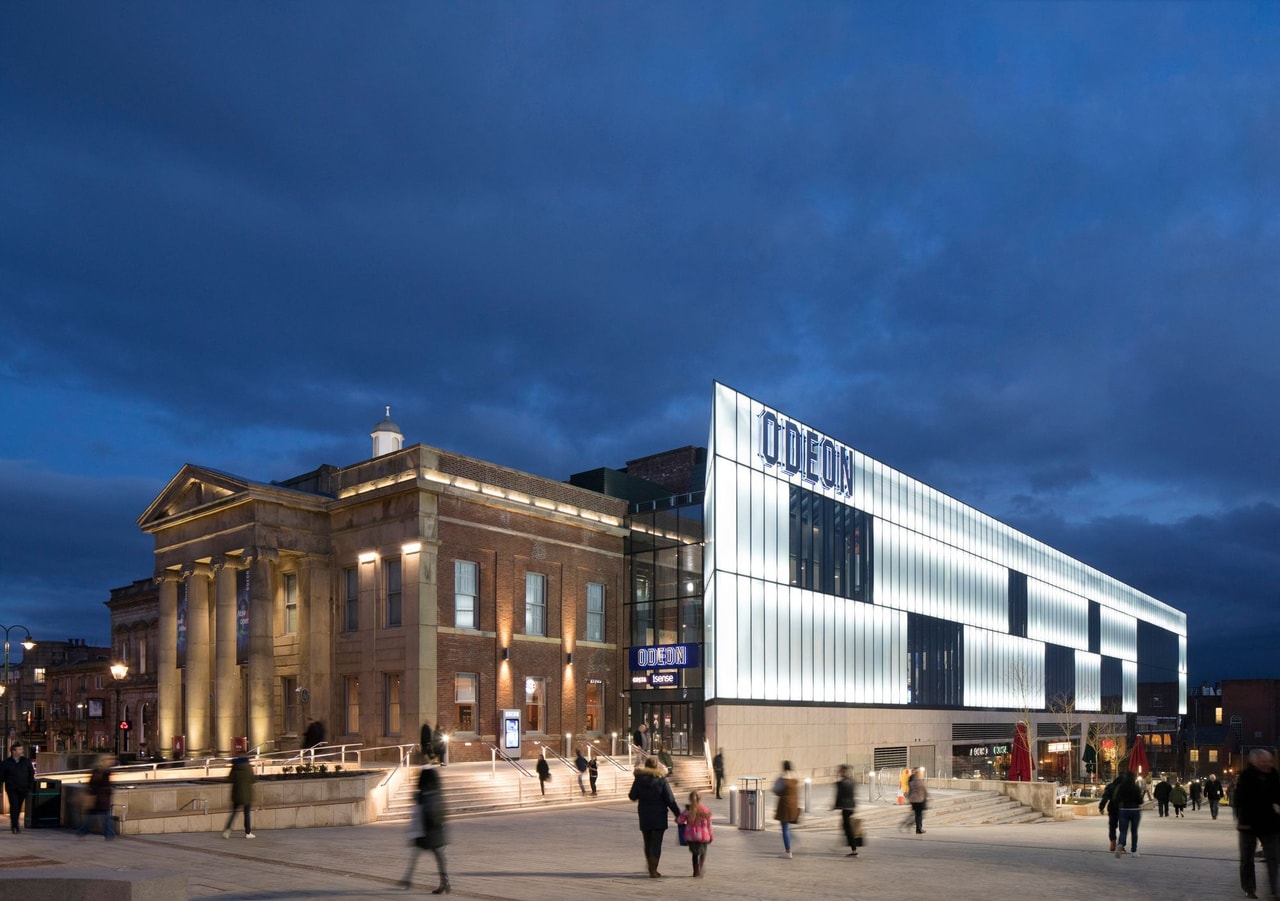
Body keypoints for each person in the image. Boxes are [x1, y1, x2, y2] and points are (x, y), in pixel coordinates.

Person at [1233, 748, 1280, 900]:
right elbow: (1239, 801)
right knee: (1247, 858)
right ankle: (1249, 888)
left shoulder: (1273, 775)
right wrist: (1241, 821)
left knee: (1273, 857)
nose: (1267, 764)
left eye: (1269, 761)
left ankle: (1274, 889)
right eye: (1264, 761)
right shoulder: (1246, 776)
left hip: (1270, 823)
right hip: (1248, 824)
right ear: (1255, 761)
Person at [628, 755, 681, 878]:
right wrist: (678, 814)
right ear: (656, 766)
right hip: (659, 816)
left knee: (647, 842)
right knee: (656, 844)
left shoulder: (639, 779)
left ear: (646, 765)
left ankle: (650, 867)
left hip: (645, 815)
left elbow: (632, 796)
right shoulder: (661, 780)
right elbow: (670, 800)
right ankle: (653, 870)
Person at [402, 766, 450, 895]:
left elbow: (420, 809)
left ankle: (408, 878)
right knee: (438, 855)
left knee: (417, 854)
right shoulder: (436, 793)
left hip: (425, 830)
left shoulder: (424, 794)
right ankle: (444, 882)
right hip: (435, 830)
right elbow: (443, 812)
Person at [76, 754, 116, 841]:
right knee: (104, 817)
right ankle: (109, 835)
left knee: (96, 817)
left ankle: (82, 832)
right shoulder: (100, 771)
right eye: (110, 759)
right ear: (104, 761)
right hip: (99, 798)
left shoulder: (105, 771)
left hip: (102, 798)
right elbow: (93, 785)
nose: (112, 761)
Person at [676, 788, 714, 877]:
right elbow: (709, 825)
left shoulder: (687, 810)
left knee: (694, 854)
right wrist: (711, 836)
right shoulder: (705, 810)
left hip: (691, 836)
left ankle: (695, 872)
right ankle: (701, 867)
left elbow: (679, 821)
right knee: (703, 852)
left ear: (690, 799)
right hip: (703, 836)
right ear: (699, 799)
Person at [0, 742, 35, 834]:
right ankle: (15, 826)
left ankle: (14, 823)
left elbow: (31, 775)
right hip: (12, 789)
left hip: (23, 788)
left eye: (21, 749)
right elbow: (1, 777)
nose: (22, 751)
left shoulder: (26, 761)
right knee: (14, 806)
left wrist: (30, 787)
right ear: (13, 751)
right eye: (19, 749)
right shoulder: (6, 763)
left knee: (18, 807)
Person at [222, 756, 256, 839]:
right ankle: (248, 832)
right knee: (247, 814)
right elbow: (253, 780)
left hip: (236, 794)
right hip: (247, 794)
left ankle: (227, 830)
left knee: (234, 813)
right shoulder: (248, 768)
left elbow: (230, 779)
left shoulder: (234, 767)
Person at [773, 761, 801, 858]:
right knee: (787, 828)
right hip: (793, 805)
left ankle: (788, 851)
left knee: (785, 828)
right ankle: (790, 847)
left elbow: (775, 790)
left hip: (784, 806)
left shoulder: (782, 779)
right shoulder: (794, 779)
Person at [1114, 770, 1143, 857]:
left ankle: (1120, 844)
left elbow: (1116, 799)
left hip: (1123, 810)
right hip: (1135, 810)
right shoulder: (1136, 787)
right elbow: (1140, 801)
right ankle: (1134, 851)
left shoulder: (1121, 787)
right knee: (1134, 831)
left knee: (1123, 831)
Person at [833, 764, 859, 857]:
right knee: (846, 827)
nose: (839, 772)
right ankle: (852, 846)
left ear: (843, 771)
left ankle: (854, 849)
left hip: (845, 807)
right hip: (851, 806)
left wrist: (835, 806)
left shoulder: (842, 782)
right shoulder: (851, 781)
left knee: (848, 829)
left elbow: (838, 795)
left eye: (840, 771)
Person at [1099, 773, 1122, 852]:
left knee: (1112, 826)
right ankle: (1121, 845)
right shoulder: (1125, 787)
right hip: (1122, 809)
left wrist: (1101, 807)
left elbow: (1105, 798)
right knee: (1123, 828)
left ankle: (1113, 842)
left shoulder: (1110, 786)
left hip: (1112, 808)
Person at [906, 767, 929, 835]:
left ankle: (916, 826)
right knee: (919, 815)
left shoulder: (911, 783)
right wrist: (926, 797)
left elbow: (910, 791)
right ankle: (918, 829)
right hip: (919, 800)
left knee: (916, 814)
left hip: (913, 800)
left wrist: (909, 799)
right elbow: (925, 791)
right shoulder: (920, 782)